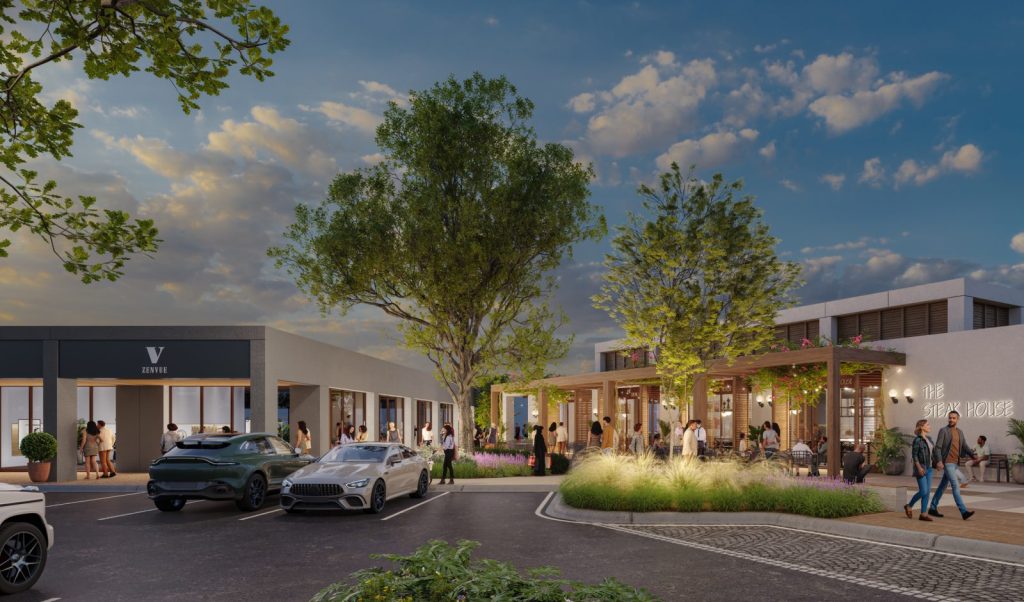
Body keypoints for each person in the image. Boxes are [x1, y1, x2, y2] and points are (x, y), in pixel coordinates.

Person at [928, 410, 977, 520]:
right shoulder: (943, 431)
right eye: (950, 417)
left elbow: (964, 445)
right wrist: (940, 461)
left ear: (957, 419)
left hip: (955, 463)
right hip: (947, 462)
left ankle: (932, 508)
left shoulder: (960, 432)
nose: (951, 419)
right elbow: (938, 448)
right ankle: (963, 511)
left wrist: (973, 455)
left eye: (953, 418)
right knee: (955, 485)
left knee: (942, 486)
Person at [905, 419, 935, 521]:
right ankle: (909, 506)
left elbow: (932, 453)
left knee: (927, 492)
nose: (929, 426)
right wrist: (919, 467)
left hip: (930, 468)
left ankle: (923, 514)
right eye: (928, 425)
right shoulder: (917, 440)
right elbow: (914, 455)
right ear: (922, 427)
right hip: (921, 467)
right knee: (923, 491)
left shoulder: (929, 439)